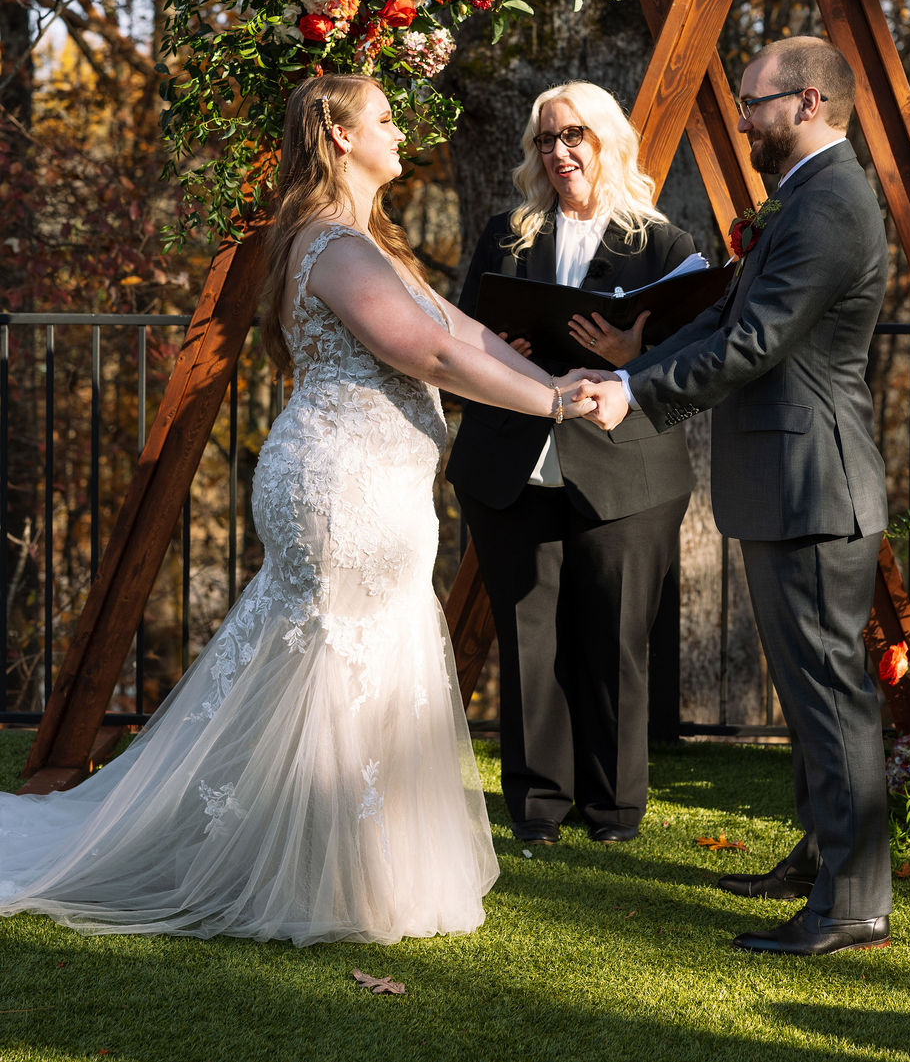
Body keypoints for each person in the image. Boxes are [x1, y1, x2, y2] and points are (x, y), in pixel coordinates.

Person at [0, 72, 594, 946]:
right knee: (332, 658)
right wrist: (546, 406)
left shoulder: (366, 244)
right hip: (340, 484)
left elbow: (464, 331)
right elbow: (423, 347)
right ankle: (312, 869)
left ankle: (347, 862)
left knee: (340, 657)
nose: (402, 132)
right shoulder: (335, 246)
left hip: (373, 482)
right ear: (340, 136)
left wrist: (561, 382)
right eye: (386, 119)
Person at [574, 37, 892, 955]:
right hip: (792, 484)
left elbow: (756, 341)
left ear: (810, 103)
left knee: (830, 693)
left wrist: (635, 394)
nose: (743, 119)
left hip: (815, 484)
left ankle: (853, 903)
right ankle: (825, 856)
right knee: (810, 689)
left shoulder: (830, 203)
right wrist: (639, 367)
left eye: (755, 104)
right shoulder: (803, 196)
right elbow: (725, 317)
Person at [446, 81, 697, 846]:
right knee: (529, 637)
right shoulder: (507, 235)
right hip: (513, 462)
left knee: (615, 638)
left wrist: (635, 355)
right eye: (546, 140)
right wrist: (503, 350)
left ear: (609, 142)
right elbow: (463, 333)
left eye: (574, 135)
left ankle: (615, 810)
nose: (558, 151)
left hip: (630, 470)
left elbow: (698, 362)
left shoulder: (665, 244)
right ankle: (537, 808)